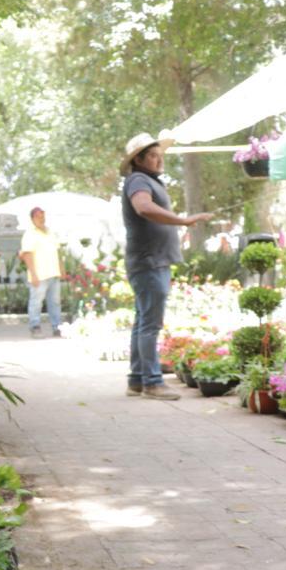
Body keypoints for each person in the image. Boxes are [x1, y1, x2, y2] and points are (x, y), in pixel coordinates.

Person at [120, 132, 212, 400]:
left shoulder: (144, 179)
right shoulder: (138, 180)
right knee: (150, 324)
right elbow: (144, 208)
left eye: (160, 155)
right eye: (152, 155)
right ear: (137, 159)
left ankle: (137, 380)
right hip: (150, 261)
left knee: (143, 322)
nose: (159, 159)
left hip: (150, 261)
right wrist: (181, 221)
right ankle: (152, 382)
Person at [18, 207, 61, 338]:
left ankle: (57, 326)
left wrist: (62, 270)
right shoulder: (29, 234)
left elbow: (58, 252)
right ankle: (35, 326)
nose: (41, 219)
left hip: (54, 272)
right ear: (32, 219)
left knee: (55, 302)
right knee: (36, 302)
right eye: (38, 216)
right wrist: (33, 274)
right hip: (39, 274)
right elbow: (27, 254)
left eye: (43, 216)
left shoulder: (50, 232)